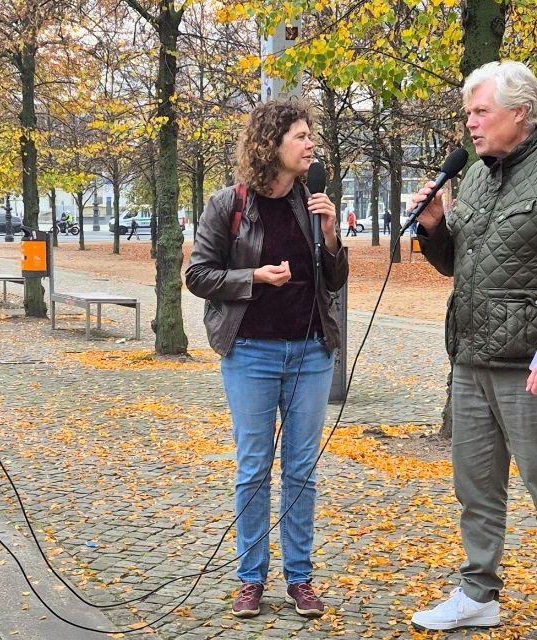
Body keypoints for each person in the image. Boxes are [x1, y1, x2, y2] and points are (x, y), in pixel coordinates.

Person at [408, 61, 537, 640]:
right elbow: (458, 265)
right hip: (470, 361)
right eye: (468, 113)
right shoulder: (474, 177)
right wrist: (433, 229)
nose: (470, 125)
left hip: (534, 368)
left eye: (482, 112)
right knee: (475, 488)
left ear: (520, 114)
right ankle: (478, 593)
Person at [186, 99, 348, 620]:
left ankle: (300, 577)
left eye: (310, 136)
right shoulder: (226, 204)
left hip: (310, 354)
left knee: (301, 469)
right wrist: (253, 277)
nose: (310, 145)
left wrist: (330, 239)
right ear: (271, 145)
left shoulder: (312, 201)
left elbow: (336, 280)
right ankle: (250, 578)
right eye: (300, 136)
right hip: (250, 352)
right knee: (254, 468)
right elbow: (198, 276)